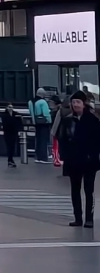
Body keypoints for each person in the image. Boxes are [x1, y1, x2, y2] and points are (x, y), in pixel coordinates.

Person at [54, 91, 100, 227]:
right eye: (73, 102)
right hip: (73, 161)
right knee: (75, 190)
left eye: (78, 102)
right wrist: (64, 156)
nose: (75, 105)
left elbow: (97, 140)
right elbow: (62, 138)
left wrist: (93, 154)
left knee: (88, 190)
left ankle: (89, 219)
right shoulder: (68, 120)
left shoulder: (92, 120)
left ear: (83, 104)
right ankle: (78, 218)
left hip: (89, 161)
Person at [29, 88, 52, 163]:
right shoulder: (42, 102)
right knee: (44, 140)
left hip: (36, 123)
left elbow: (32, 113)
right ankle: (43, 157)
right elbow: (46, 113)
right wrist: (49, 121)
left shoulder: (31, 101)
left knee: (38, 140)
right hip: (44, 123)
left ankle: (37, 157)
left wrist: (34, 122)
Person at [1, 103, 22, 168]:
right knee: (9, 146)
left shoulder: (16, 114)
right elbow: (4, 124)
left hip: (14, 132)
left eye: (12, 107)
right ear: (6, 107)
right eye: (9, 107)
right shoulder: (4, 115)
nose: (11, 108)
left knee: (12, 146)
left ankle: (10, 159)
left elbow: (19, 122)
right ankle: (10, 160)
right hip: (7, 132)